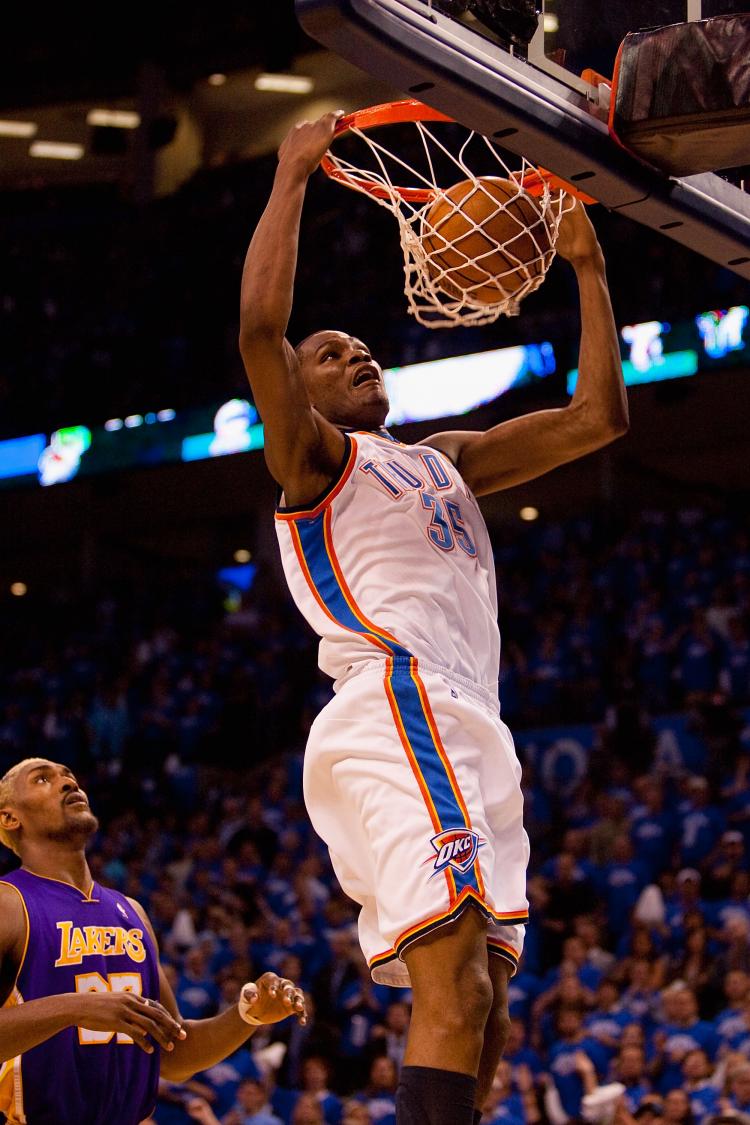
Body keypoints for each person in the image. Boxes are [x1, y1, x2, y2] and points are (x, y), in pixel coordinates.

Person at [239, 110, 627, 1125]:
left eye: (361, 345)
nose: (353, 354)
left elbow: (599, 420)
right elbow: (256, 334)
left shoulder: (445, 457)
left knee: (486, 1005)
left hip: (467, 718)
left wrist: (586, 268)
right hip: (395, 698)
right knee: (453, 984)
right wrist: (292, 175)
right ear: (302, 390)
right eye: (329, 354)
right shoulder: (318, 461)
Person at [0, 757, 307, 1125]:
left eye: (70, 776)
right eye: (43, 779)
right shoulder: (9, 903)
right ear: (9, 818)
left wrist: (247, 1017)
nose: (67, 783)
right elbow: (82, 1010)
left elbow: (173, 1055)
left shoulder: (130, 911)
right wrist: (76, 1008)